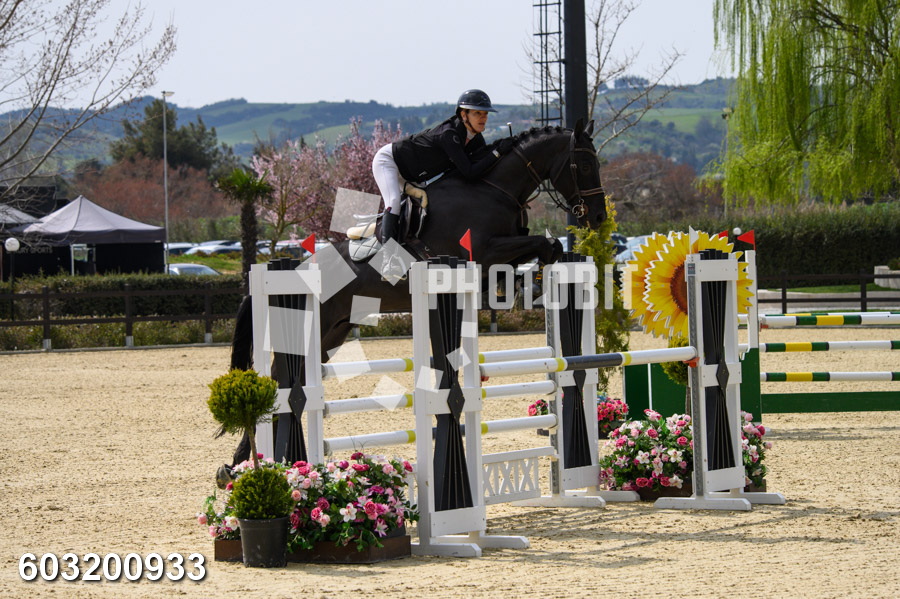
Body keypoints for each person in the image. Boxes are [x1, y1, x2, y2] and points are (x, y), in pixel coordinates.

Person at [371, 89, 515, 245]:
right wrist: (497, 152)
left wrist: (501, 149)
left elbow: (482, 165)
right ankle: (387, 253)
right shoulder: (449, 135)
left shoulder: (476, 140)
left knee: (429, 204)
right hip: (389, 161)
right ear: (464, 115)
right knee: (393, 201)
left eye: (485, 114)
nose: (483, 118)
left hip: (411, 175)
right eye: (477, 113)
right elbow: (470, 172)